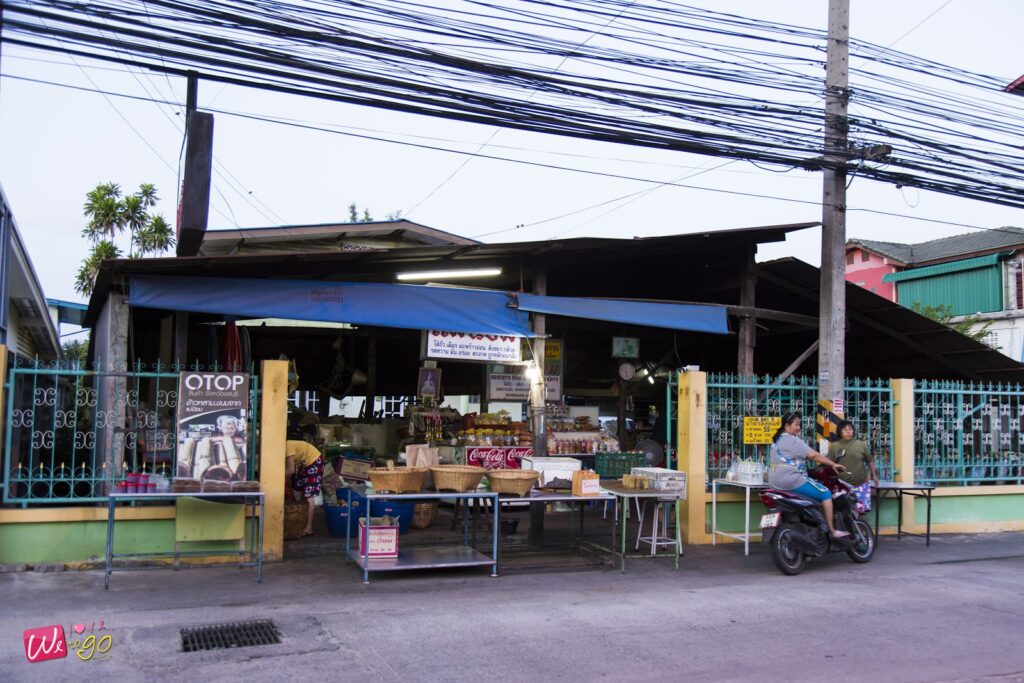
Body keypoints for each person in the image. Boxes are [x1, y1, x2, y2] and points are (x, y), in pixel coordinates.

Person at [768, 411, 850, 539]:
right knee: (825, 494)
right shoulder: (792, 440)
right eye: (796, 424)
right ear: (787, 426)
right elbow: (813, 455)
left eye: (799, 425)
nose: (798, 428)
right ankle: (832, 531)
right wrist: (833, 464)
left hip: (774, 482)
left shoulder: (776, 440)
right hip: (791, 481)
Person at [828, 420, 879, 512]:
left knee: (861, 510)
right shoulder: (834, 446)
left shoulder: (860, 444)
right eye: (845, 430)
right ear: (840, 432)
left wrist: (874, 476)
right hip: (842, 484)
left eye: (850, 429)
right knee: (844, 511)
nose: (848, 432)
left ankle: (861, 526)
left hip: (861, 483)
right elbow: (829, 464)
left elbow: (870, 460)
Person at [286, 439, 325, 537]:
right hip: (304, 464)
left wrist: (277, 476)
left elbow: (290, 470)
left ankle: (308, 527)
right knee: (296, 490)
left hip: (314, 461)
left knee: (309, 494)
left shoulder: (287, 447)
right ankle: (300, 519)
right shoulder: (282, 449)